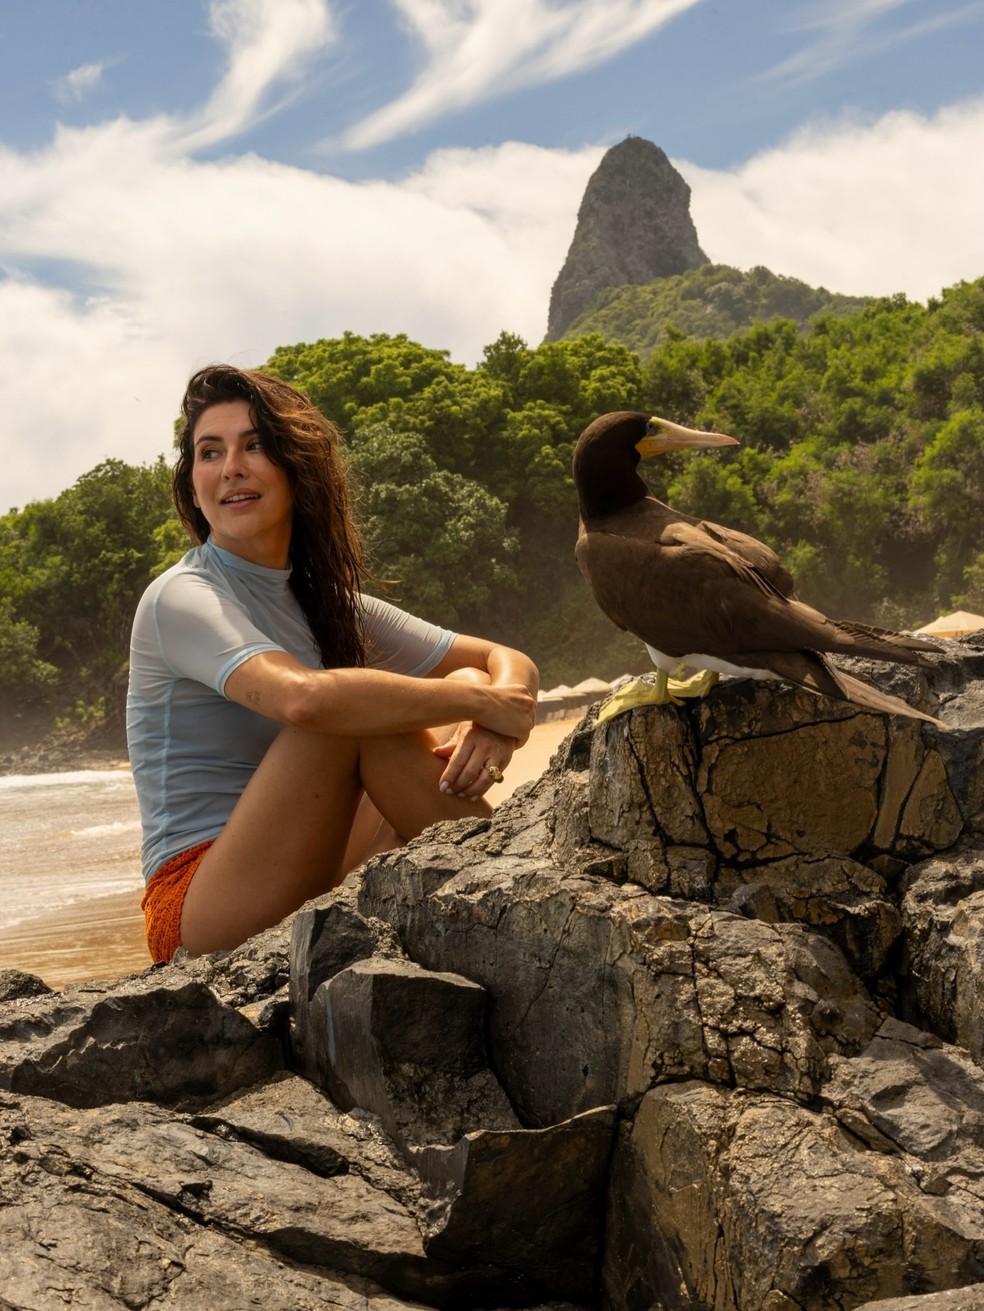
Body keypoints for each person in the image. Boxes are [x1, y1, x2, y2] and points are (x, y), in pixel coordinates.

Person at [127, 364, 538, 962]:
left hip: (309, 866)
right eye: (208, 452)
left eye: (255, 445)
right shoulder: (182, 597)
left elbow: (504, 659)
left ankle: (505, 892)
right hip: (198, 906)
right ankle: (516, 895)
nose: (231, 467)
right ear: (192, 481)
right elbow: (303, 700)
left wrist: (497, 719)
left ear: (298, 468)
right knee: (348, 715)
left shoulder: (324, 602)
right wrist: (481, 703)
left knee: (461, 679)